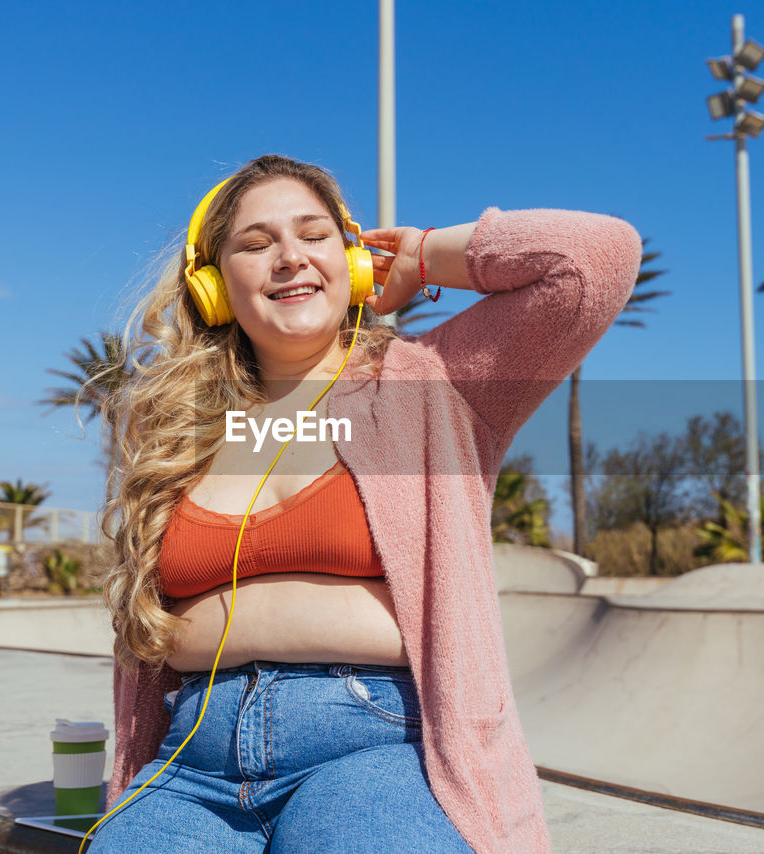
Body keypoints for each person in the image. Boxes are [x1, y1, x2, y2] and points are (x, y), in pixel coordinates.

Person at [88, 154, 642, 852]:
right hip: (192, 759)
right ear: (214, 287)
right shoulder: (178, 431)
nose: (288, 258)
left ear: (351, 259)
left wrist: (422, 255)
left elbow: (596, 258)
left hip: (371, 750)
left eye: (314, 235)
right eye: (255, 245)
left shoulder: (435, 384)